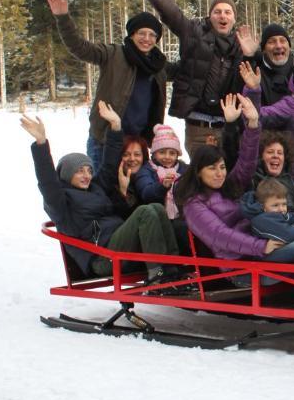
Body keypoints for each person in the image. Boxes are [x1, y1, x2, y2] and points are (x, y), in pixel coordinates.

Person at [22, 101, 181, 285]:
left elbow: (109, 164)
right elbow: (47, 181)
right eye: (80, 171)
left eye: (89, 171)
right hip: (103, 258)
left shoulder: (96, 188)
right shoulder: (61, 202)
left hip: (119, 245)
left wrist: (115, 126)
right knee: (144, 212)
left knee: (155, 207)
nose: (86, 175)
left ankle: (173, 267)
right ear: (67, 174)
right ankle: (158, 274)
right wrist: (41, 143)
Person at [173, 94, 294, 271]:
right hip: (241, 263)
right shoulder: (194, 205)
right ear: (198, 172)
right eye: (212, 168)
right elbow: (220, 236)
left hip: (262, 241)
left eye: (222, 167)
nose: (220, 173)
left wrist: (252, 125)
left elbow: (247, 162)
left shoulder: (229, 186)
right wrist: (260, 246)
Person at [123, 0, 245, 154]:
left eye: (228, 12)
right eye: (217, 11)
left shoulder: (242, 46)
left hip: (230, 127)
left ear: (234, 18)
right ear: (210, 15)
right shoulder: (194, 33)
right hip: (198, 128)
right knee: (199, 180)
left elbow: (273, 58)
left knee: (228, 182)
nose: (222, 15)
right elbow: (167, 9)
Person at [46, 0, 167, 172]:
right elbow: (80, 47)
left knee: (134, 194)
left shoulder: (159, 66)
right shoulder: (113, 54)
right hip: (104, 139)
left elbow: (190, 71)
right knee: (102, 192)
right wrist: (63, 18)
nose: (147, 39)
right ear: (132, 34)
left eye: (152, 35)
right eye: (142, 33)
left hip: (136, 144)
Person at [133, 124, 187, 218]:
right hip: (155, 216)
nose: (167, 157)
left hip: (183, 215)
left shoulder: (184, 168)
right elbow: (146, 194)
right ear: (154, 153)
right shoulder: (147, 169)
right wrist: (162, 186)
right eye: (162, 152)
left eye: (172, 153)